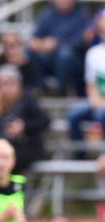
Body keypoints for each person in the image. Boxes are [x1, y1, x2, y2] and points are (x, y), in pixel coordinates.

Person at [0, 65, 50, 172]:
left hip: (24, 147)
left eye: (11, 83)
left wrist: (24, 126)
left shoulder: (27, 98)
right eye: (3, 84)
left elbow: (45, 121)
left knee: (5, 161)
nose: (7, 87)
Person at [29, 0, 90, 96]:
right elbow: (35, 39)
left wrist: (57, 43)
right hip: (50, 56)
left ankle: (61, 92)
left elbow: (81, 41)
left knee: (64, 55)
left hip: (74, 59)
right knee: (29, 52)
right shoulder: (47, 14)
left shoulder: (82, 14)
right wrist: (41, 45)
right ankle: (40, 89)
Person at [67, 9, 105, 148]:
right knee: (73, 114)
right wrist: (96, 102)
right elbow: (91, 83)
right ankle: (79, 156)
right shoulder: (93, 53)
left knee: (101, 115)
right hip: (98, 102)